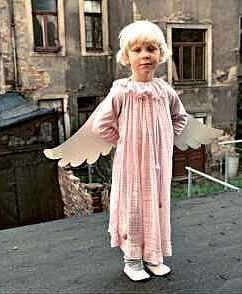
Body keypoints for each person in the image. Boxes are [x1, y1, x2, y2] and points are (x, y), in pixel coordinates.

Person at [91, 20, 188, 281]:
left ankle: (153, 256)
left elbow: (180, 117)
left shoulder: (164, 90)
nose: (145, 55)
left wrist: (166, 138)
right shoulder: (122, 92)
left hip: (158, 166)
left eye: (151, 48)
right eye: (137, 50)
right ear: (126, 56)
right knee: (134, 208)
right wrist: (124, 142)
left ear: (160, 53)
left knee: (156, 206)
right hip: (132, 166)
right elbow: (101, 125)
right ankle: (132, 260)